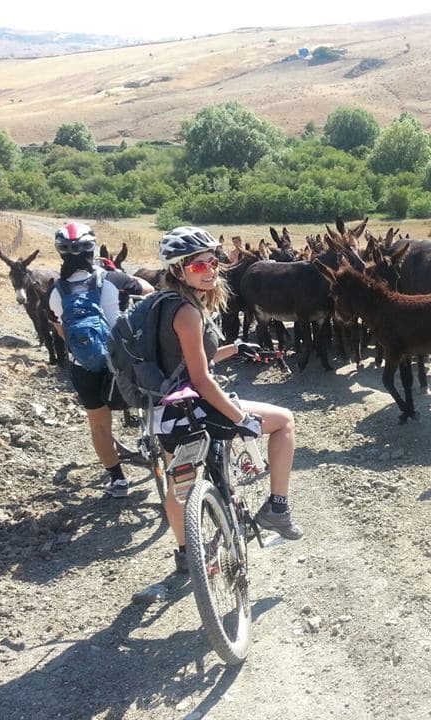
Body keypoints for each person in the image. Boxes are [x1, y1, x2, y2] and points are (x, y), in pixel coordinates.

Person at [154, 226, 302, 574]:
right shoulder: (188, 312)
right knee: (284, 421)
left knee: (176, 486)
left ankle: (186, 554)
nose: (210, 271)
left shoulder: (161, 303)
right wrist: (238, 417)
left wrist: (234, 348)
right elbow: (202, 379)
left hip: (164, 411)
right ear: (178, 270)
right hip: (197, 407)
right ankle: (277, 508)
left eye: (212, 263)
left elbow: (186, 363)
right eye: (198, 266)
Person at [48, 222, 155, 498]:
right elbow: (148, 291)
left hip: (84, 365)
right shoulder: (110, 279)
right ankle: (155, 446)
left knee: (98, 424)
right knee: (152, 401)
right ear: (91, 247)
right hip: (122, 359)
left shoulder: (56, 293)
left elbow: (61, 331)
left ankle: (118, 480)